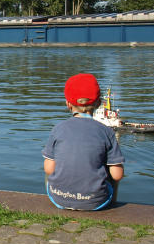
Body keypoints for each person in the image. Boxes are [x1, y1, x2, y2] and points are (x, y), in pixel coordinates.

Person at [42, 73, 124, 210]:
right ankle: (111, 204)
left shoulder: (58, 129)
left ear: (67, 104)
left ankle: (61, 194)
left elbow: (49, 169)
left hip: (59, 198)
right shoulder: (107, 132)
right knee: (112, 167)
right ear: (98, 103)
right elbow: (117, 175)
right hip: (96, 201)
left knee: (50, 162)